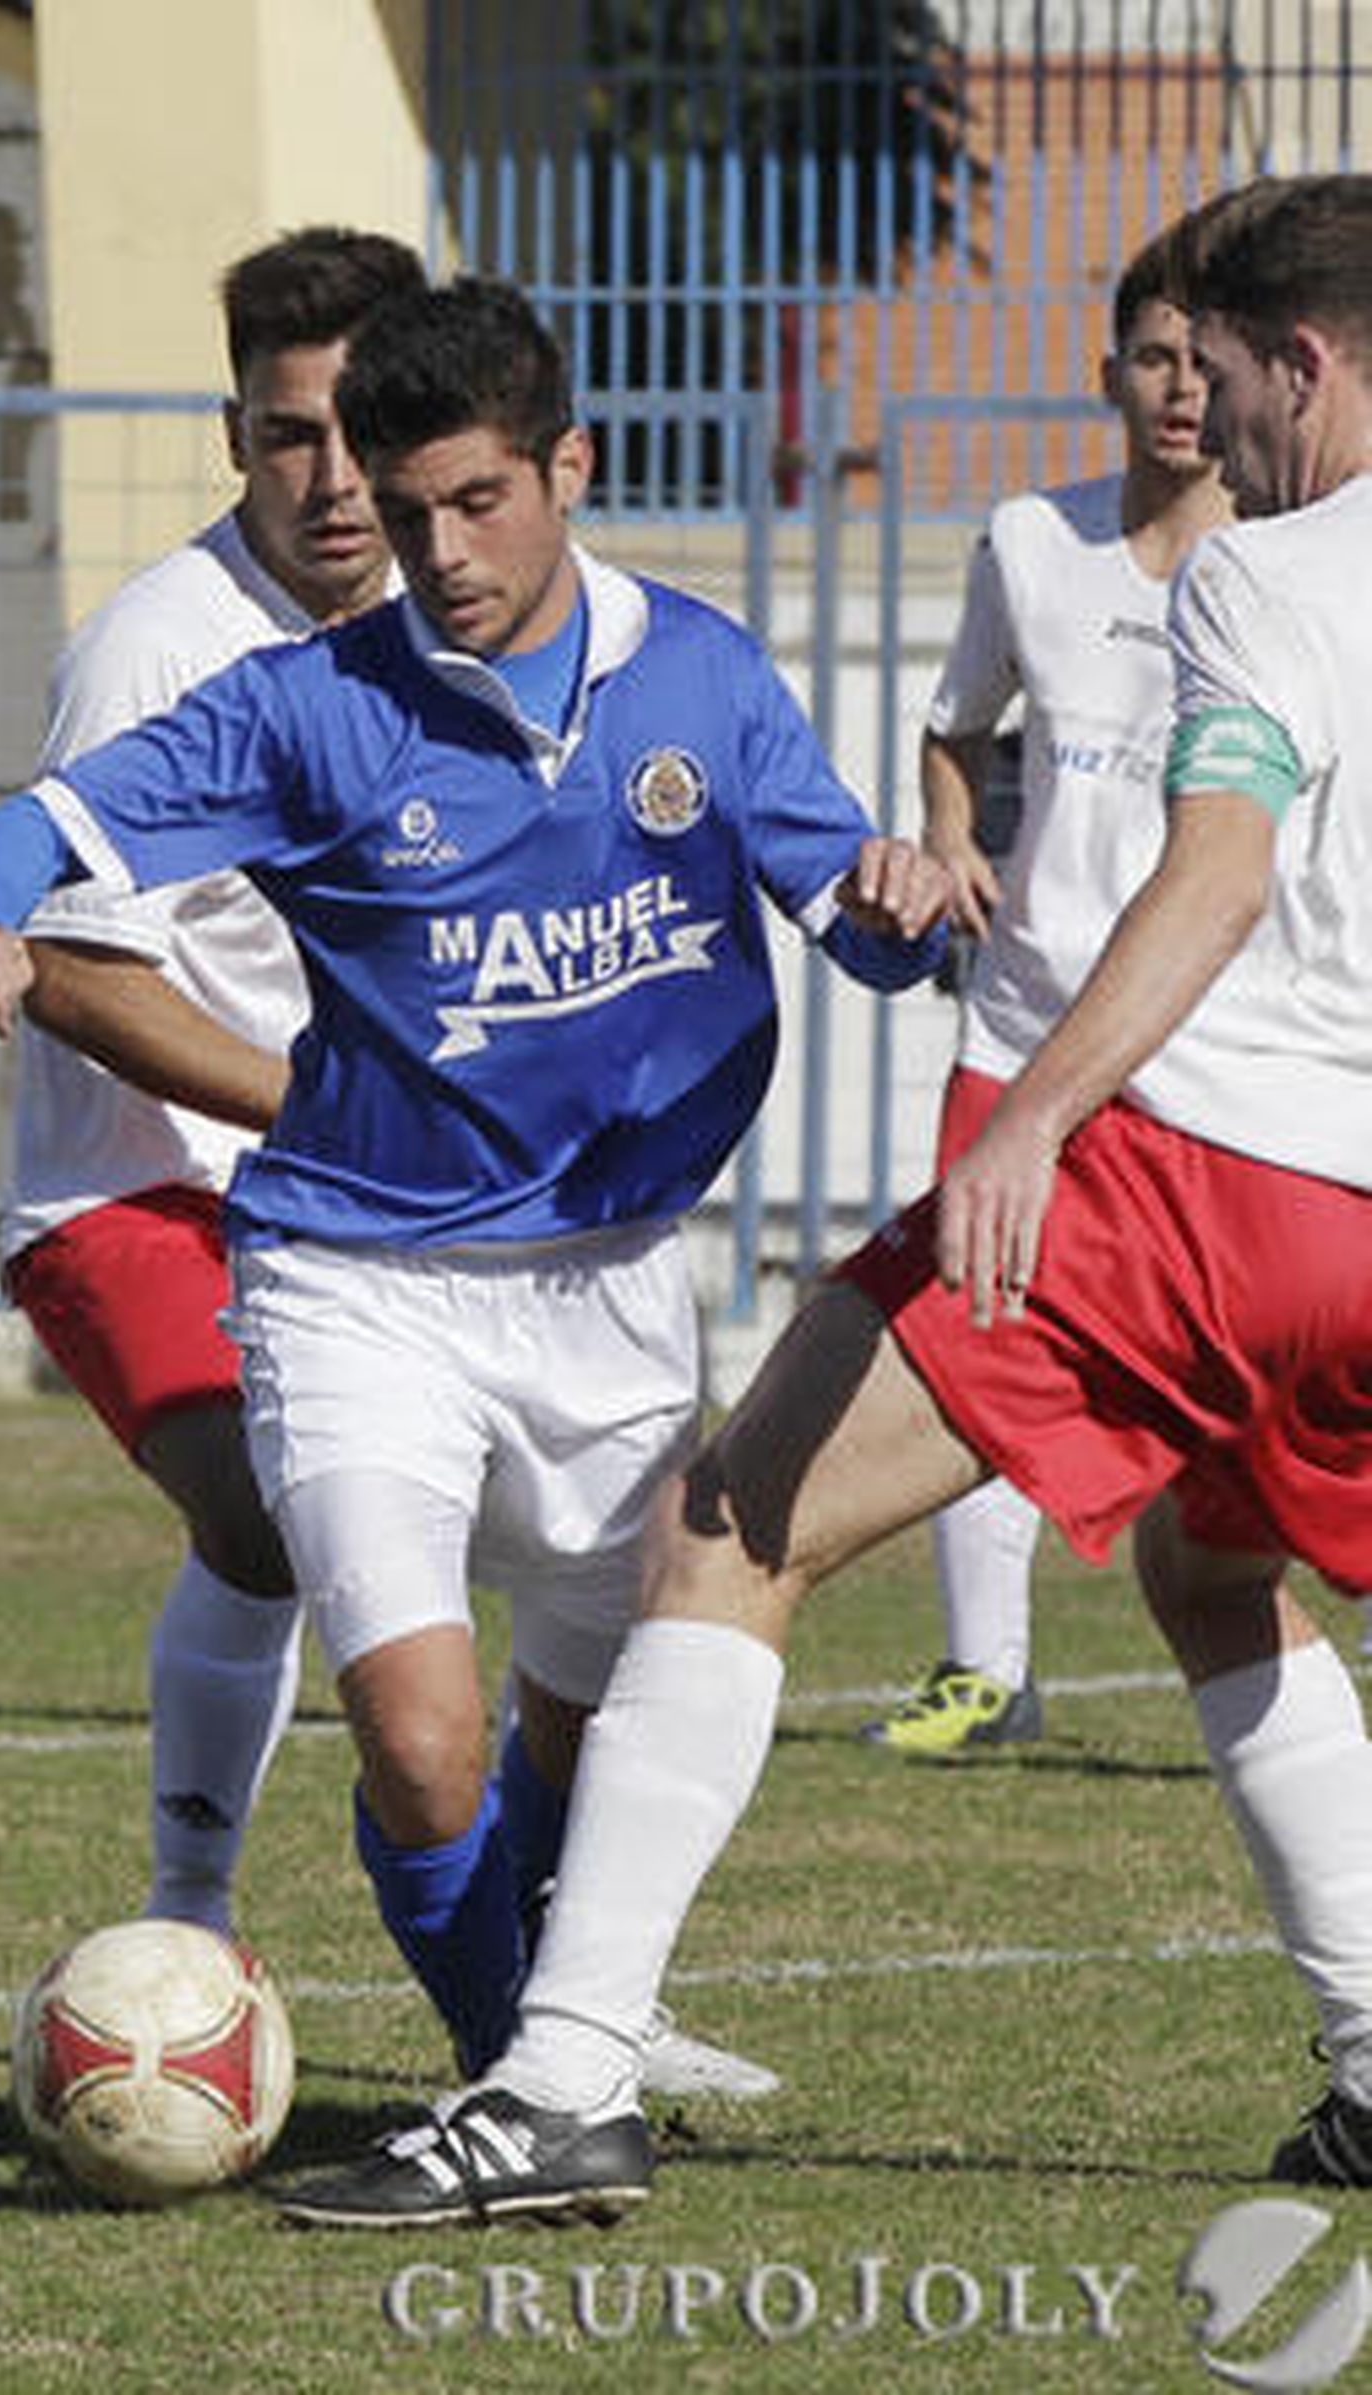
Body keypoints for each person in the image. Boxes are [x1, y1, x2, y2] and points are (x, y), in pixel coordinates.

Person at [275, 174, 1372, 2227]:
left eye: (1212, 377)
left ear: (1298, 361)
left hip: (1195, 1174)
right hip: (1358, 1230)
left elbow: (1214, 872)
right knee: (1216, 1575)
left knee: (726, 1522)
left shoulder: (1263, 577)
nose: (1197, 425)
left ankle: (561, 2075)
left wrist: (1031, 1116)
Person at [0, 277, 950, 2097]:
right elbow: (39, 825)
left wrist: (899, 907)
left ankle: (565, 2020)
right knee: (419, 1733)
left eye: (476, 503)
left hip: (616, 1278)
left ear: (571, 465)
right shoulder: (314, 706)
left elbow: (853, 924)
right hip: (354, 1275)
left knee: (577, 1727)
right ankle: (520, 2078)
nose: (439, 552)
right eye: (407, 517)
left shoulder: (695, 673)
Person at [0, 227, 425, 1941]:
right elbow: (71, 966)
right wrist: (316, 1103)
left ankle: (566, 1981)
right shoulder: (155, 653)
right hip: (135, 1192)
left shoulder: (460, 626)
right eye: (283, 436)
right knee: (264, 1512)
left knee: (584, 1547)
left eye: (359, 432)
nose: (329, 481)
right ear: (231, 431)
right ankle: (190, 1930)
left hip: (364, 1194)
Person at [862, 227, 1231, 1757]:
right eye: (1155, 359)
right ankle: (986, 1672)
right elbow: (960, 727)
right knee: (976, 1316)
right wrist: (954, 838)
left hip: (1211, 1033)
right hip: (1021, 1021)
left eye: (1209, 365)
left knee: (1253, 1374)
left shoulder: (1292, 566)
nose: (1183, 392)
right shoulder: (1031, 541)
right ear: (1109, 376)